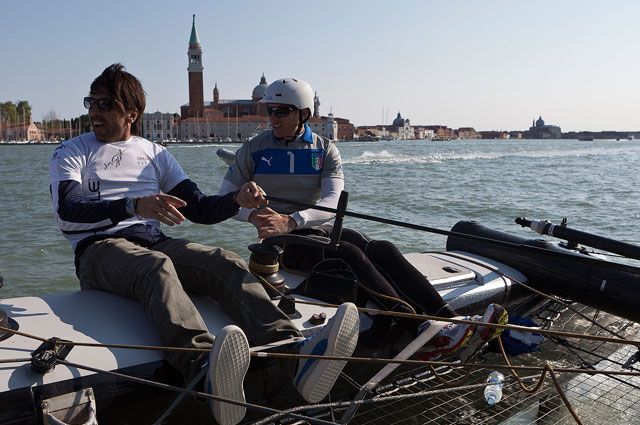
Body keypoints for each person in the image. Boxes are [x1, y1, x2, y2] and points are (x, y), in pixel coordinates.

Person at [49, 64, 359, 425]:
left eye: (105, 104)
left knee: (222, 259)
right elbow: (68, 211)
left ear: (130, 113)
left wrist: (236, 200)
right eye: (91, 103)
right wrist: (133, 205)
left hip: (153, 241)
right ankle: (204, 365)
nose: (94, 112)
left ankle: (294, 349)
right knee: (157, 268)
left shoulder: (155, 153)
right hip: (98, 249)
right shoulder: (71, 151)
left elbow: (199, 208)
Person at [218, 76, 507, 359]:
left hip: (310, 227)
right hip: (281, 242)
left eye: (281, 111)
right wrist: (254, 217)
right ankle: (422, 328)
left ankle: (451, 321)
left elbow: (332, 201)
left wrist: (293, 219)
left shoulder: (325, 149)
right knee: (347, 252)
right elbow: (224, 200)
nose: (273, 117)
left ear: (303, 114)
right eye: (270, 111)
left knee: (382, 248)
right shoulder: (253, 149)